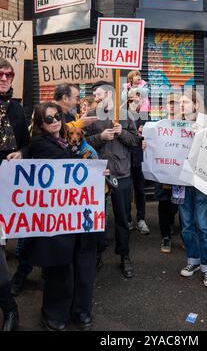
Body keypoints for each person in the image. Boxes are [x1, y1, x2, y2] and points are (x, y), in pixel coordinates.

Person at [23, 102, 107, 331]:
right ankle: (54, 312)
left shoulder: (68, 137)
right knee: (61, 266)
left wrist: (97, 169)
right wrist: (93, 168)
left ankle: (81, 309)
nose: (55, 121)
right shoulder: (41, 144)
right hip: (59, 216)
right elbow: (64, 164)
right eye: (48, 119)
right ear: (40, 124)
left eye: (57, 116)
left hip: (82, 212)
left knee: (84, 262)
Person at [85, 83, 139, 278]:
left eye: (98, 94)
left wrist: (120, 132)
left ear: (109, 93)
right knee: (97, 219)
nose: (95, 98)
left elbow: (134, 141)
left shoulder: (125, 114)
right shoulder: (90, 116)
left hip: (121, 173)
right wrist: (100, 136)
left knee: (123, 218)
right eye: (94, 95)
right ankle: (97, 254)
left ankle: (124, 255)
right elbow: (80, 141)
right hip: (97, 175)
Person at [0, 58, 30, 331]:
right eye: (1, 73)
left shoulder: (17, 109)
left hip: (7, 184)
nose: (6, 78)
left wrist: (21, 153)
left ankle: (10, 309)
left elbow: (27, 145)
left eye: (10, 74)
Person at [178, 89, 207, 288]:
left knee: (203, 225)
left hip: (201, 181)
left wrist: (200, 135)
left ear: (196, 104)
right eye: (180, 102)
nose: (181, 106)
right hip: (181, 182)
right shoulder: (174, 125)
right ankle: (193, 261)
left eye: (185, 102)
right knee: (186, 225)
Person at [156, 93, 181, 254]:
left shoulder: (186, 124)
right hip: (164, 170)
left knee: (180, 204)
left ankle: (184, 235)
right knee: (164, 203)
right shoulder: (159, 124)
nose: (172, 106)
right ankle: (166, 236)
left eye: (175, 103)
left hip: (180, 172)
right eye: (170, 103)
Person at [126, 89, 150, 235]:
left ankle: (141, 219)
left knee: (140, 190)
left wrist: (146, 141)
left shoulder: (145, 117)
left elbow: (151, 137)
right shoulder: (121, 116)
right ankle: (127, 219)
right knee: (127, 191)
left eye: (140, 100)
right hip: (125, 158)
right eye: (135, 100)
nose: (138, 103)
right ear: (128, 101)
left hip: (140, 158)